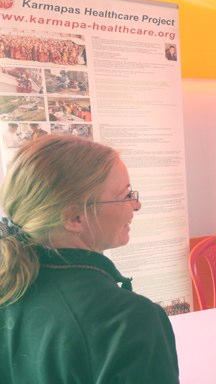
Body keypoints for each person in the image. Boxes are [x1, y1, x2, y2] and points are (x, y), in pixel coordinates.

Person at [0, 135, 179, 383]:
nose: (136, 205)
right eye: (126, 195)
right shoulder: (128, 320)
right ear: (75, 218)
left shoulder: (10, 282)